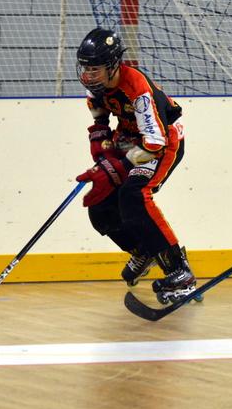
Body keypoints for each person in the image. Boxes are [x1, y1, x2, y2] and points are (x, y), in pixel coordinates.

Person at [74, 27, 196, 304]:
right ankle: (144, 251)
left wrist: (115, 166)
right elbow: (101, 118)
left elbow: (154, 143)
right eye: (85, 68)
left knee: (134, 196)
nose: (88, 74)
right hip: (130, 139)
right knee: (101, 209)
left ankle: (179, 270)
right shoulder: (95, 84)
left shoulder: (137, 89)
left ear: (113, 64)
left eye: (95, 68)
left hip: (163, 142)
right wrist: (101, 144)